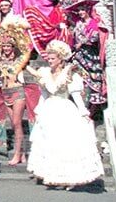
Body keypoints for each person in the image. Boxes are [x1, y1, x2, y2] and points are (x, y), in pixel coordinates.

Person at [25, 40, 103, 189]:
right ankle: (52, 174)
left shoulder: (68, 72)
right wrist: (39, 111)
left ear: (60, 59)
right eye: (48, 58)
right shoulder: (45, 72)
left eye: (52, 58)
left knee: (64, 142)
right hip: (49, 109)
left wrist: (83, 113)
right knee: (50, 142)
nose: (49, 61)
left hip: (64, 108)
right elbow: (44, 94)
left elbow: (76, 96)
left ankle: (68, 177)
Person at [0, 23, 38, 163]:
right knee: (13, 124)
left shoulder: (19, 61)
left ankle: (17, 154)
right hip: (5, 93)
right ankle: (22, 154)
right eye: (4, 47)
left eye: (8, 46)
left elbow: (27, 53)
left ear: (13, 47)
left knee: (17, 123)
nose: (6, 49)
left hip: (18, 93)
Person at [64, 0, 107, 117]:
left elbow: (95, 38)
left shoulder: (94, 23)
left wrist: (82, 43)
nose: (80, 12)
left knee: (93, 81)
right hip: (79, 55)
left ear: (88, 10)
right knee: (75, 76)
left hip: (91, 56)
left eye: (82, 10)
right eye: (79, 11)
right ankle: (78, 106)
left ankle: (91, 112)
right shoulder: (78, 24)